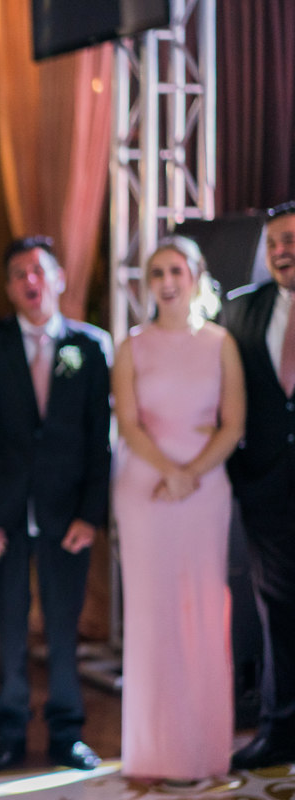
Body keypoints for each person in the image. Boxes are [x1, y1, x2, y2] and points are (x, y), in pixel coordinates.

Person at [0, 236, 111, 772]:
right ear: (8, 288)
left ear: (58, 279)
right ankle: (7, 729)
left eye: (38, 271)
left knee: (61, 626)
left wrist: (90, 515)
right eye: (18, 274)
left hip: (65, 515)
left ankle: (66, 731)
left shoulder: (91, 347)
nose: (30, 281)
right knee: (7, 628)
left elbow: (100, 440)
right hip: (2, 516)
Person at [113, 236, 244, 780]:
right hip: (146, 487)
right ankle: (151, 750)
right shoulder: (133, 346)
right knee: (152, 617)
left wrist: (191, 473)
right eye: (156, 273)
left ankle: (202, 747)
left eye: (176, 271)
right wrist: (169, 471)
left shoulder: (220, 343)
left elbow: (233, 424)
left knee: (203, 613)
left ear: (195, 277)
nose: (166, 281)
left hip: (205, 487)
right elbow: (128, 423)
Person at [221, 200, 295, 770]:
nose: (281, 251)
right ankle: (278, 728)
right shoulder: (240, 312)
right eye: (272, 243)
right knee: (276, 612)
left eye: (290, 239)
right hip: (266, 491)